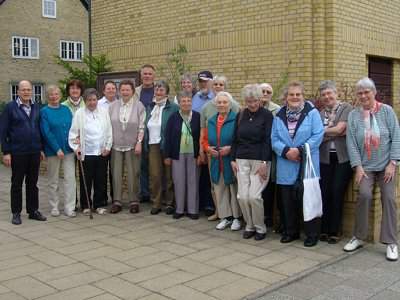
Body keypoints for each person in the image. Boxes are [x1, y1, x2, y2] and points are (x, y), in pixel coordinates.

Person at [344, 77, 400, 261]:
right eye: (360, 93)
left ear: (374, 93)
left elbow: (396, 137)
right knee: (365, 195)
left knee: (389, 197)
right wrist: (358, 167)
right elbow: (351, 143)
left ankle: (391, 242)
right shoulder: (353, 115)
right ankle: (358, 236)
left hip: (386, 166)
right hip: (365, 166)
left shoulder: (387, 111)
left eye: (366, 92)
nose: (363, 95)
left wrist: (393, 163)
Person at [271, 81, 324, 247]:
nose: (295, 97)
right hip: (286, 163)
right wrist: (286, 150)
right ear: (286, 97)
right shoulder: (279, 114)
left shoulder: (312, 113)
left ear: (303, 96)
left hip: (306, 163)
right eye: (291, 94)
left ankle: (311, 234)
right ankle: (290, 231)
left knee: (307, 199)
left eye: (298, 94)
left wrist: (300, 150)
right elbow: (274, 139)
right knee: (287, 201)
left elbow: (318, 135)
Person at [0, 80, 46, 225]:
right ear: (18, 92)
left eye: (28, 89)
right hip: (18, 152)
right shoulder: (10, 108)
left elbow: (40, 130)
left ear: (31, 91)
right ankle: (16, 213)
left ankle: (33, 211)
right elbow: (3, 131)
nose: (26, 92)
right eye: (23, 90)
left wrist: (41, 149)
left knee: (33, 183)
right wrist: (6, 152)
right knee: (17, 183)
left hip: (34, 151)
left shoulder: (36, 107)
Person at [231, 84, 273, 241]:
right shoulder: (241, 114)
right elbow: (234, 138)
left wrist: (264, 162)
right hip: (241, 159)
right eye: (249, 101)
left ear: (260, 99)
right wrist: (233, 159)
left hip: (259, 160)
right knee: (242, 196)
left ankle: (260, 227)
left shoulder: (267, 115)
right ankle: (249, 225)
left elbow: (268, 140)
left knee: (254, 197)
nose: (252, 104)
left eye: (255, 100)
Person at [200, 75, 240, 221]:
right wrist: (205, 149)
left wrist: (231, 148)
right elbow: (203, 136)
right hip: (215, 156)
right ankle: (223, 216)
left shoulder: (236, 112)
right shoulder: (209, 115)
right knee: (217, 186)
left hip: (231, 157)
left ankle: (236, 217)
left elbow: (239, 136)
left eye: (221, 84)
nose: (222, 104)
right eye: (215, 84)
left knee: (232, 187)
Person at [318, 80, 353, 244]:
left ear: (336, 93)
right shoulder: (318, 113)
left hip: (342, 158)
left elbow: (341, 128)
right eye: (323, 94)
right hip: (324, 158)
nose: (327, 97)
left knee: (336, 191)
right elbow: (317, 135)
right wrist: (334, 132)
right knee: (324, 192)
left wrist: (322, 132)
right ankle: (324, 229)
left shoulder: (346, 108)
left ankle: (335, 230)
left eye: (329, 93)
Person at [68, 88, 112, 215]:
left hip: (101, 152)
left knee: (100, 179)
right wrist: (77, 148)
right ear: (85, 101)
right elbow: (73, 133)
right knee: (85, 180)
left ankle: (99, 204)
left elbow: (109, 131)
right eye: (89, 100)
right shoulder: (79, 114)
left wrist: (108, 147)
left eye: (94, 100)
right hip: (86, 152)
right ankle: (86, 205)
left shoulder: (104, 112)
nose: (92, 102)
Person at [109, 80, 145, 214]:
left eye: (127, 90)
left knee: (133, 173)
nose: (125, 92)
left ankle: (133, 201)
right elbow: (108, 126)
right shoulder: (112, 106)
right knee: (116, 173)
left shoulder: (139, 106)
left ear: (132, 92)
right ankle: (117, 201)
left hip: (133, 145)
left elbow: (142, 126)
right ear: (119, 91)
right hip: (115, 145)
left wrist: (139, 142)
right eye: (122, 90)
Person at [40, 85, 76, 217]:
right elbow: (46, 132)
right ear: (47, 97)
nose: (54, 96)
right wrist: (57, 148)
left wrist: (75, 141)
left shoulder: (66, 109)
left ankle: (69, 207)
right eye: (51, 94)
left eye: (56, 94)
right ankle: (54, 206)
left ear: (60, 95)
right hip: (53, 151)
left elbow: (73, 127)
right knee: (53, 179)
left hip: (68, 149)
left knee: (70, 179)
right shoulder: (44, 111)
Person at [164, 91, 201, 219]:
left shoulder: (197, 117)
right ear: (179, 103)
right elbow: (167, 137)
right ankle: (179, 209)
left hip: (193, 154)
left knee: (193, 181)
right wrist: (167, 155)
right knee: (178, 181)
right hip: (177, 153)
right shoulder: (173, 117)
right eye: (183, 101)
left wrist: (201, 154)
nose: (186, 103)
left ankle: (192, 210)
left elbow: (201, 137)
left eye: (188, 101)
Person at [144, 80, 178, 215]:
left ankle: (170, 203)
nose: (158, 92)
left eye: (161, 90)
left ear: (167, 93)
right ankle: (156, 202)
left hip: (167, 144)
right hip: (153, 144)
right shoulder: (150, 107)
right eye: (157, 90)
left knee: (169, 175)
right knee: (155, 175)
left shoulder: (173, 107)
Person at [192, 70, 216, 217]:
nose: (203, 83)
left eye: (206, 81)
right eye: (201, 81)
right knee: (199, 172)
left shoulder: (217, 98)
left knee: (209, 174)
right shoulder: (195, 97)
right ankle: (200, 202)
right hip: (196, 139)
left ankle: (210, 204)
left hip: (211, 140)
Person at [259, 83, 281, 230]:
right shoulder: (251, 107)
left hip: (272, 153)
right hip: (255, 152)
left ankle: (268, 217)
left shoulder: (277, 110)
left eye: (268, 92)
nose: (265, 93)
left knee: (270, 185)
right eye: (263, 91)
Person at [135, 64, 156, 203]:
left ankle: (156, 194)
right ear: (141, 76)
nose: (147, 76)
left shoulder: (159, 90)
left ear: (154, 75)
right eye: (145, 74)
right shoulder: (136, 91)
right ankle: (144, 193)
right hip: (139, 132)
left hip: (155, 132)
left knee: (155, 166)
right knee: (141, 165)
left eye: (149, 74)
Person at [98, 80, 118, 205]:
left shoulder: (120, 103)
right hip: (103, 143)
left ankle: (115, 197)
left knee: (114, 172)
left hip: (116, 143)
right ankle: (102, 198)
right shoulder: (98, 104)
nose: (111, 90)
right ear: (104, 91)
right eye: (108, 89)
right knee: (102, 172)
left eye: (113, 88)